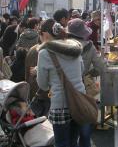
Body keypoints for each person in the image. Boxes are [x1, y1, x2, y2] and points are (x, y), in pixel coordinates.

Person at [37, 23, 86, 147]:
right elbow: (82, 71)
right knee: (73, 141)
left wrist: (51, 83)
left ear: (47, 34)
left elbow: (42, 85)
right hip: (79, 101)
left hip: (60, 104)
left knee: (61, 143)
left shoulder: (45, 53)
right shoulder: (75, 48)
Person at [67, 18, 104, 147]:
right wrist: (90, 74)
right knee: (84, 126)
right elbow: (100, 67)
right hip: (83, 88)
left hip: (64, 90)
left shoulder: (61, 46)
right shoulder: (89, 46)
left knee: (68, 133)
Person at [25, 19, 55, 116]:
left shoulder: (33, 50)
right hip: (48, 94)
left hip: (35, 93)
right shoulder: (50, 51)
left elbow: (27, 74)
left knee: (37, 124)